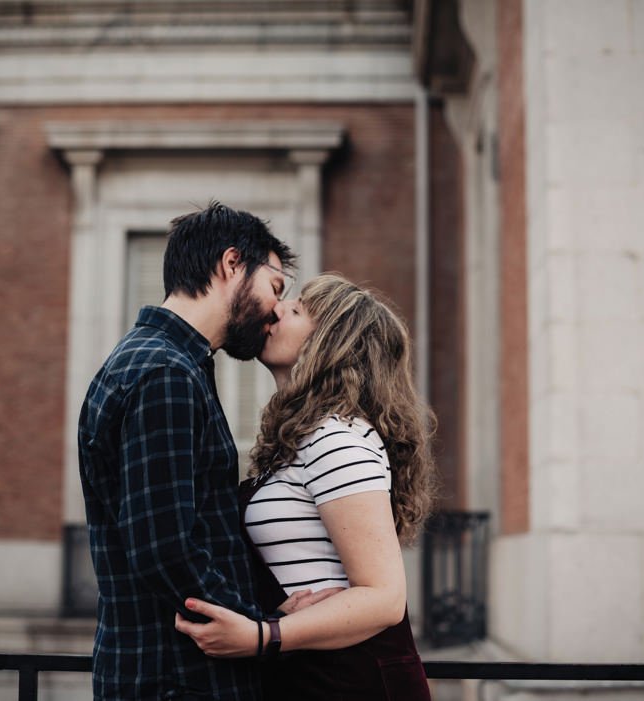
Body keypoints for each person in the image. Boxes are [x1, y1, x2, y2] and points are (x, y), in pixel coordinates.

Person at [78, 202, 306, 700]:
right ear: (231, 265)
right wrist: (259, 628)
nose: (274, 311)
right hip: (178, 679)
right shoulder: (165, 373)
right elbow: (164, 547)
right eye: (275, 287)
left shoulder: (160, 362)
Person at [175, 274, 438, 700]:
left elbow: (385, 598)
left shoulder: (338, 438)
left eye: (295, 310)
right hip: (316, 674)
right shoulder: (301, 440)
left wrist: (263, 635)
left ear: (330, 344)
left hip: (353, 680)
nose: (276, 309)